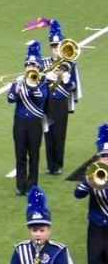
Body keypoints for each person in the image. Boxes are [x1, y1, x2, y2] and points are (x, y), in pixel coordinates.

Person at [74, 124, 108, 264]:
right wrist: (89, 181)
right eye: (102, 157)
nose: (105, 160)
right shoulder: (93, 175)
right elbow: (77, 194)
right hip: (95, 231)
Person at [7, 41, 48, 196]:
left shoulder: (42, 82)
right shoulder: (18, 82)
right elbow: (10, 99)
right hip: (19, 122)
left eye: (33, 65)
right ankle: (20, 185)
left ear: (38, 67)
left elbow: (40, 98)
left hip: (34, 123)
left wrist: (30, 85)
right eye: (28, 65)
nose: (30, 67)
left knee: (34, 155)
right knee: (20, 154)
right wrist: (16, 90)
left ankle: (32, 185)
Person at [42, 19, 80, 176]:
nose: (55, 50)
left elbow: (73, 87)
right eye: (53, 47)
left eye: (57, 46)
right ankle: (50, 165)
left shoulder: (70, 64)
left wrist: (66, 80)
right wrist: (45, 77)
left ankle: (58, 164)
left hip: (60, 102)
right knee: (48, 134)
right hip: (46, 103)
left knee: (59, 134)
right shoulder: (43, 63)